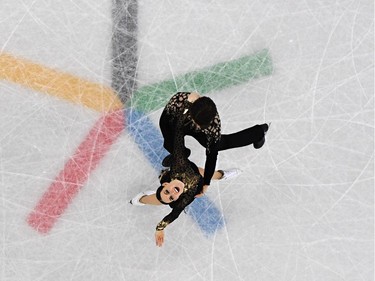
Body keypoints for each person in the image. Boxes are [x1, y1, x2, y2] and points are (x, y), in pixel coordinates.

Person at [130, 105, 242, 247]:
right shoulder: (184, 199)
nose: (172, 193)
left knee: (210, 174)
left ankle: (223, 175)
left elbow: (177, 136)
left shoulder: (179, 163)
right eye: (172, 197)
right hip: (196, 182)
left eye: (167, 191)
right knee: (160, 199)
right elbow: (173, 215)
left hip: (185, 170)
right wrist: (160, 228)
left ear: (165, 185)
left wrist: (184, 114)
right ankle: (142, 199)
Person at [159, 92, 269, 196]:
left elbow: (212, 155)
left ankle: (258, 133)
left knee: (220, 143)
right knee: (169, 144)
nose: (197, 126)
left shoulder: (213, 126)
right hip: (176, 123)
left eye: (201, 125)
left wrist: (206, 182)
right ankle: (183, 152)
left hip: (197, 130)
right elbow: (164, 122)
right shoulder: (179, 101)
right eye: (197, 123)